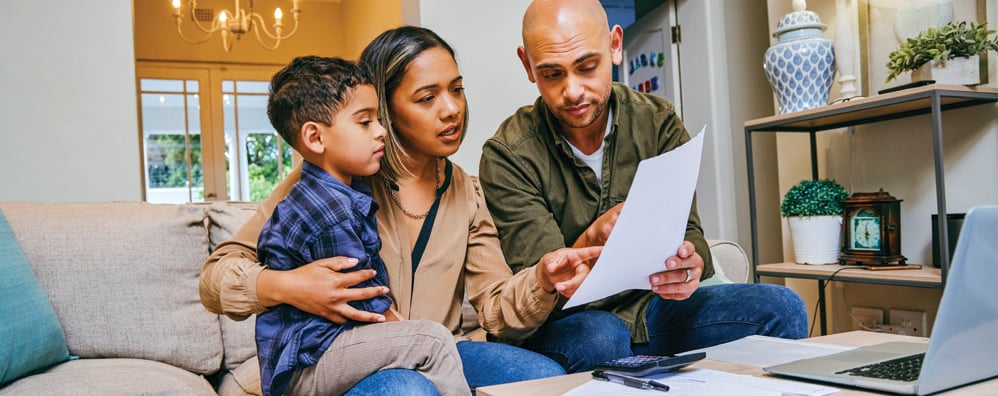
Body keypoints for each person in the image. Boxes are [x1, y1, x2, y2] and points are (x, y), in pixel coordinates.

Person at [200, 26, 601, 393]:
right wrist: (288, 286)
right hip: (345, 357)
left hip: (437, 350)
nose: (451, 109)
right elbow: (214, 279)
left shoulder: (466, 190)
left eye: (456, 90)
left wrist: (543, 280)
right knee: (406, 390)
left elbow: (495, 307)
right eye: (427, 98)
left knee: (538, 380)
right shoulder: (330, 178)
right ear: (385, 109)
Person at [478, 0, 809, 373]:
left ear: (615, 46)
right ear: (527, 66)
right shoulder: (508, 154)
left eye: (587, 67)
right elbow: (544, 287)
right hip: (573, 325)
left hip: (654, 309)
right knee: (601, 335)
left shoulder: (658, 122)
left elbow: (690, 232)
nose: (572, 91)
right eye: (552, 74)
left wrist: (689, 265)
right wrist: (591, 239)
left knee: (783, 307)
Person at [253, 56, 469, 396]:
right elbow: (364, 301)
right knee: (431, 339)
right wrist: (410, 332)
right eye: (365, 122)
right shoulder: (327, 209)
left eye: (378, 119)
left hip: (330, 349)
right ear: (315, 137)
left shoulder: (341, 191)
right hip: (311, 364)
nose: (382, 131)